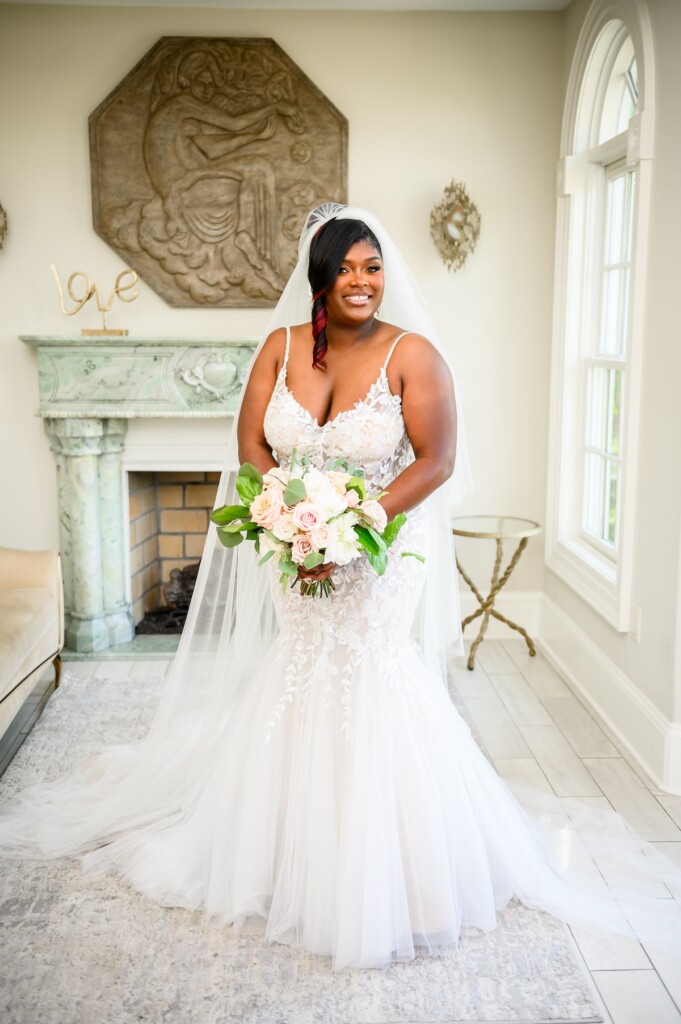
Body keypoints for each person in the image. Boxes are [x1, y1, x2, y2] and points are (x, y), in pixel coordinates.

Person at [1, 204, 681, 973]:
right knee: (301, 670)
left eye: (373, 267)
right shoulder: (280, 347)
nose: (361, 281)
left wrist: (354, 527)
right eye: (347, 268)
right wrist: (288, 520)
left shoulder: (412, 354)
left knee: (370, 671)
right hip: (295, 544)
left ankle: (396, 864)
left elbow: (436, 460)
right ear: (319, 278)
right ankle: (285, 846)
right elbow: (252, 443)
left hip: (385, 548)